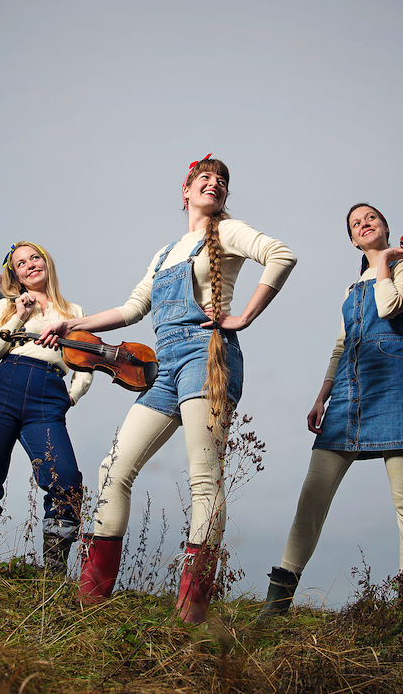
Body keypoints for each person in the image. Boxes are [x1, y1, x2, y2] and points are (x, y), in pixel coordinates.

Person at [38, 155, 296, 623]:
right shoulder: (165, 252)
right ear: (185, 190)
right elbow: (133, 308)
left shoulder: (229, 232)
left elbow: (282, 255)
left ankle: (191, 613)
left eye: (221, 181)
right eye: (204, 178)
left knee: (203, 480)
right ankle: (91, 600)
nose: (214, 185)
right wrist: (71, 324)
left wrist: (241, 318)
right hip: (164, 363)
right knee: (112, 469)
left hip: (207, 355)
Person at [257, 203, 403, 618]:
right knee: (312, 495)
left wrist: (385, 262)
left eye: (371, 218)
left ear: (385, 227)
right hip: (348, 393)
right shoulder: (351, 290)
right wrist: (322, 395)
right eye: (356, 223)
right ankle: (277, 602)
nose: (364, 224)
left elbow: (390, 308)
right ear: (353, 239)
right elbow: (341, 345)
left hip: (391, 383)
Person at [0, 241, 93, 574]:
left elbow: (85, 365)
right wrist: (19, 315)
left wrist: (71, 395)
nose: (30, 264)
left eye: (35, 257)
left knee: (67, 481)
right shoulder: (7, 306)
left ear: (47, 262)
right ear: (15, 274)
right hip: (1, 389)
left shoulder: (74, 312)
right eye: (21, 263)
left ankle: (52, 571)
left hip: (48, 395)